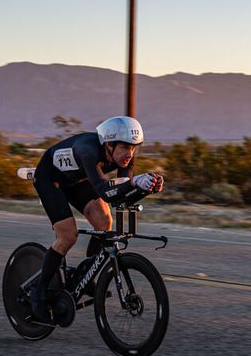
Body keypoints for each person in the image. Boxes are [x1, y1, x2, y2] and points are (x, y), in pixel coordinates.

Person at [30, 115, 164, 323]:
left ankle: (86, 275)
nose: (130, 154)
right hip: (50, 179)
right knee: (68, 236)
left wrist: (146, 188)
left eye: (134, 148)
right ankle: (38, 293)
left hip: (78, 179)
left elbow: (121, 193)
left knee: (104, 222)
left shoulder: (125, 156)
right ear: (109, 144)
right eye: (125, 147)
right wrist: (134, 182)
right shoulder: (88, 150)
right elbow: (105, 192)